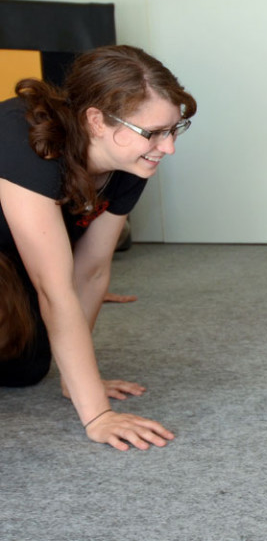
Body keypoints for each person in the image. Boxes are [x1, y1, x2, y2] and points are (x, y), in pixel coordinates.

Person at [0, 45, 195, 450]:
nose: (169, 147)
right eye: (153, 133)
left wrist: (78, 383)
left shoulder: (132, 161)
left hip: (12, 255)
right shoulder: (27, 143)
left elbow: (89, 270)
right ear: (96, 121)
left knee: (28, 367)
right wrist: (98, 415)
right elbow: (54, 288)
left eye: (174, 129)